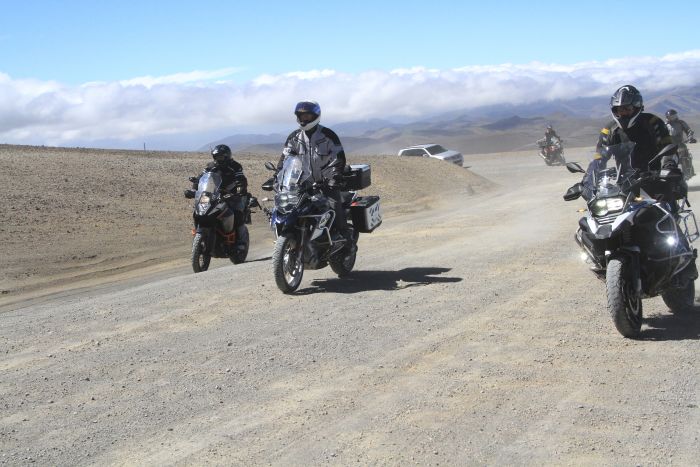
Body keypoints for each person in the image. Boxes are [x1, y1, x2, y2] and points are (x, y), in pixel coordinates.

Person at [276, 100, 355, 252]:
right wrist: (277, 175)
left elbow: (339, 158)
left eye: (307, 116)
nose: (304, 120)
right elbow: (284, 159)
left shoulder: (328, 135)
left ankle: (347, 240)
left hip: (325, 183)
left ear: (315, 116)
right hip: (301, 184)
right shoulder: (294, 137)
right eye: (301, 116)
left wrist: (334, 176)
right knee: (287, 207)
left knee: (333, 205)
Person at [188, 144, 249, 249]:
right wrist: (194, 190)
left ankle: (240, 243)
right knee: (201, 210)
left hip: (232, 194)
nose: (218, 159)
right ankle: (202, 233)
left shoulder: (235, 166)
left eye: (220, 157)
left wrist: (240, 189)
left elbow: (241, 179)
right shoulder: (211, 166)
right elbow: (200, 178)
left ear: (227, 156)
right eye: (216, 157)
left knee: (237, 214)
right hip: (213, 193)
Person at [665, 109, 696, 179]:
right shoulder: (665, 125)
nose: (673, 118)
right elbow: (660, 135)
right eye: (671, 116)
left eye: (674, 116)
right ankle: (664, 175)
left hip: (680, 144)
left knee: (685, 157)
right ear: (667, 117)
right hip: (668, 146)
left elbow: (688, 130)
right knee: (663, 159)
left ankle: (688, 171)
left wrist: (690, 137)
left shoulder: (681, 123)